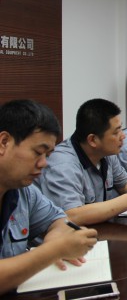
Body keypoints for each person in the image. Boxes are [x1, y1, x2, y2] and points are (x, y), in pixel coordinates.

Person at [0, 100, 97, 294]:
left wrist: (55, 238)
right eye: (38, 152)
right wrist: (54, 251)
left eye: (48, 155)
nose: (44, 163)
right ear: (4, 142)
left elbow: (59, 220)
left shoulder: (23, 190)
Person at [37, 99, 127, 226]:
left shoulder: (107, 153)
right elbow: (71, 216)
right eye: (116, 132)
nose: (123, 136)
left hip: (100, 230)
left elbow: (124, 184)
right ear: (92, 140)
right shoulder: (63, 164)